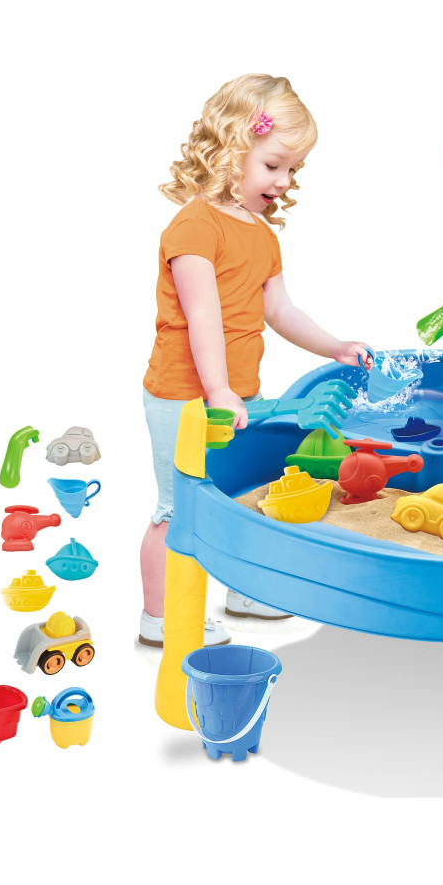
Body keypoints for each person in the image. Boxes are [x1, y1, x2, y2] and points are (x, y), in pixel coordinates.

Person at [140, 73, 372, 646]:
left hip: (235, 392)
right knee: (179, 507)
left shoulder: (263, 235)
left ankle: (244, 591)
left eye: (293, 169)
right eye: (273, 165)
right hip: (184, 395)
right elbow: (203, 316)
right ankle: (161, 618)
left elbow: (281, 310)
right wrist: (218, 391)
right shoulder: (194, 228)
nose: (284, 181)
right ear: (230, 149)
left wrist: (334, 345)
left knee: (238, 495)